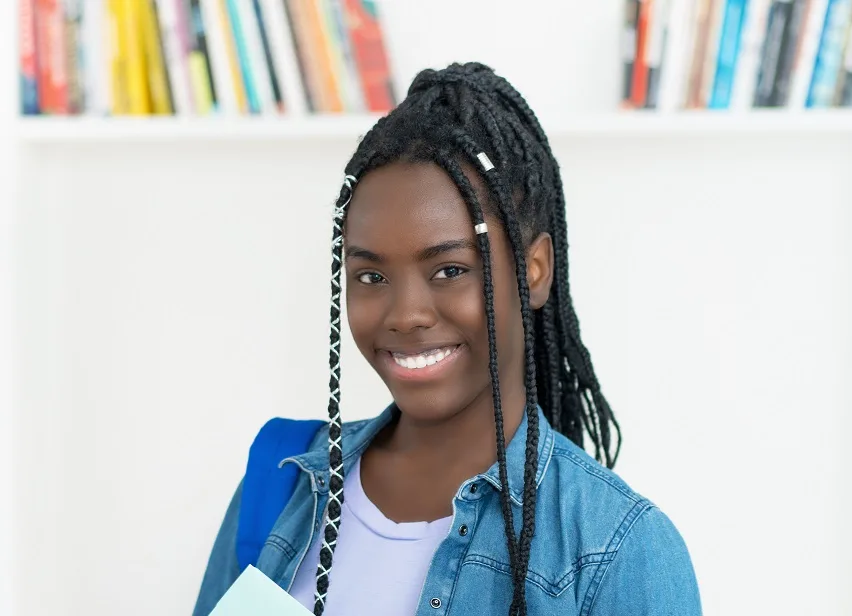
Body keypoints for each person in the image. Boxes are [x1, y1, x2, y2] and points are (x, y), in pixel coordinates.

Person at [193, 62, 702, 616]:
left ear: (533, 270)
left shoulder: (617, 551)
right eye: (371, 277)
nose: (406, 314)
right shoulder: (281, 483)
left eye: (450, 270)